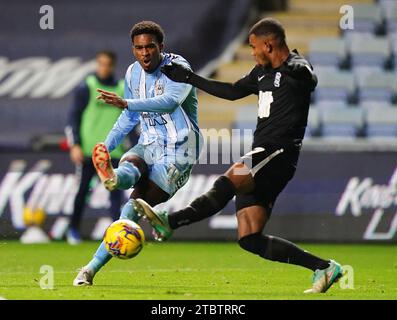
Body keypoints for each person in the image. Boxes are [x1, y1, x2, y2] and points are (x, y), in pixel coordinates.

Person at [133, 18, 344, 294]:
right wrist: (189, 78)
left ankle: (170, 222)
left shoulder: (297, 68)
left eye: (254, 47)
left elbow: (308, 77)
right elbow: (232, 92)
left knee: (229, 180)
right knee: (249, 237)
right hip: (264, 153)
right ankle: (325, 268)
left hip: (278, 151)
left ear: (269, 45)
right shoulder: (261, 72)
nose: (252, 52)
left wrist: (297, 67)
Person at [73, 20, 202, 286]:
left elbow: (170, 101)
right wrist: (106, 148)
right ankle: (112, 177)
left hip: (180, 150)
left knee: (129, 211)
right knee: (130, 165)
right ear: (133, 49)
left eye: (150, 47)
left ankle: (90, 268)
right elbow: (129, 116)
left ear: (161, 47)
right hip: (150, 141)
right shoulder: (133, 73)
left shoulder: (178, 68)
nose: (145, 53)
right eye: (139, 48)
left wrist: (128, 102)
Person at [65, 50, 124, 245]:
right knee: (83, 192)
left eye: (107, 64)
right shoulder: (87, 86)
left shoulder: (122, 88)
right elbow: (74, 117)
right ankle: (73, 229)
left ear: (113, 66)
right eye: (100, 63)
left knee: (116, 194)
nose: (103, 68)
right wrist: (75, 145)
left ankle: (119, 233)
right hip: (89, 152)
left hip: (113, 152)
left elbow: (130, 121)